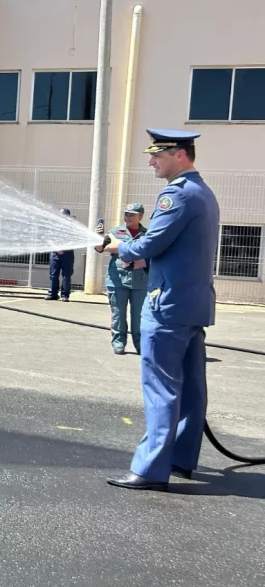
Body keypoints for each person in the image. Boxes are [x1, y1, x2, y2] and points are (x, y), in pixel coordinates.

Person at [97, 129, 219, 491]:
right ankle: (180, 459)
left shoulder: (176, 195)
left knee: (161, 387)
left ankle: (150, 469)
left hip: (167, 305)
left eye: (157, 155)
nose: (151, 162)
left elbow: (152, 243)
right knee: (192, 388)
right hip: (193, 304)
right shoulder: (203, 192)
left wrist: (117, 246)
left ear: (179, 155)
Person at [104, 203, 149, 355]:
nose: (128, 217)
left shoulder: (147, 234)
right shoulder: (115, 232)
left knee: (139, 316)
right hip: (117, 279)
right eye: (126, 214)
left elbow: (152, 252)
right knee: (118, 314)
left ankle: (140, 344)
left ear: (140, 216)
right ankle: (118, 342)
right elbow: (104, 247)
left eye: (132, 215)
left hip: (140, 281)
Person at [45, 208, 75, 302]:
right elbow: (48, 239)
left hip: (68, 254)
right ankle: (52, 294)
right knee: (53, 274)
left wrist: (64, 248)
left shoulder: (72, 228)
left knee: (66, 275)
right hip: (55, 253)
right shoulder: (53, 227)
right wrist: (57, 248)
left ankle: (65, 295)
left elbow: (75, 240)